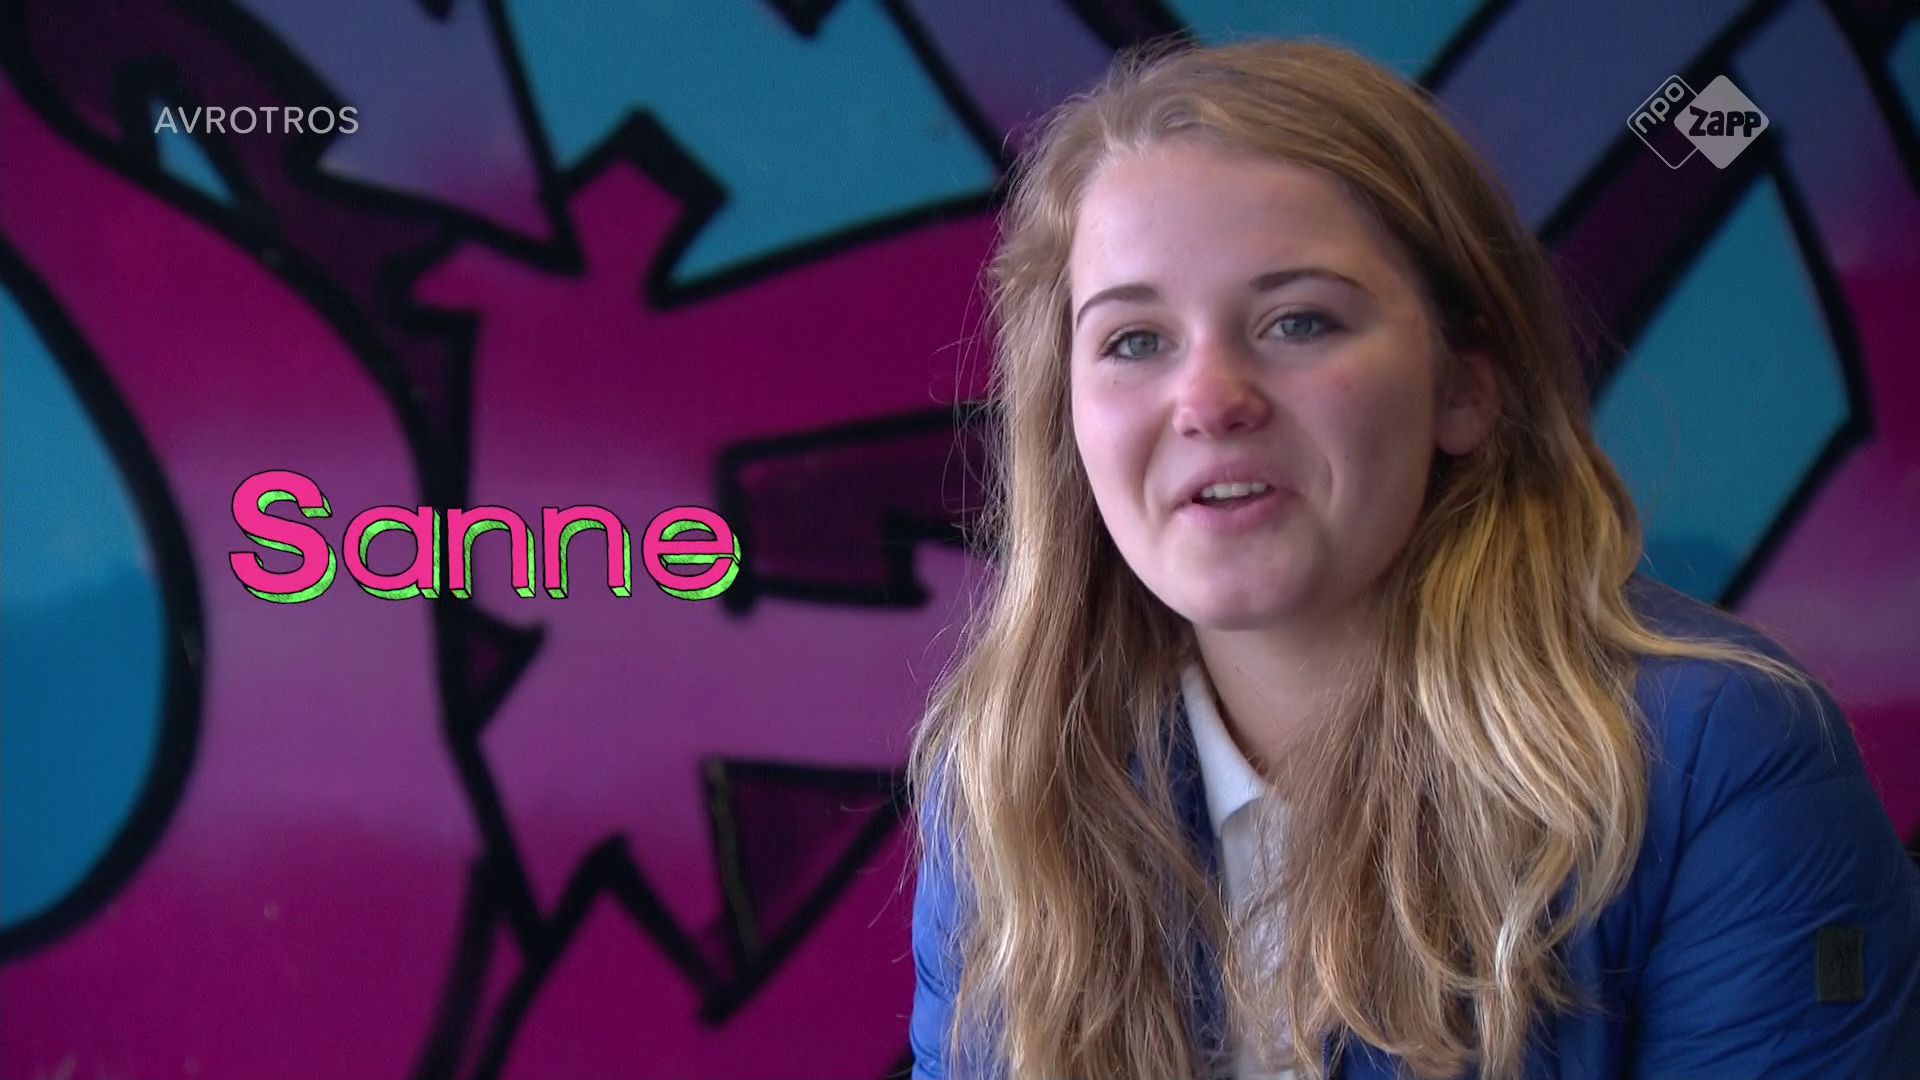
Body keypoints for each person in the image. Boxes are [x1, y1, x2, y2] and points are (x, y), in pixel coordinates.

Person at [903, 36, 1920, 1080]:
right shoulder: (1011, 786)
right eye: (1133, 341)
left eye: (1298, 321)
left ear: (1465, 384)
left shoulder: (1719, 766)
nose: (1207, 401)